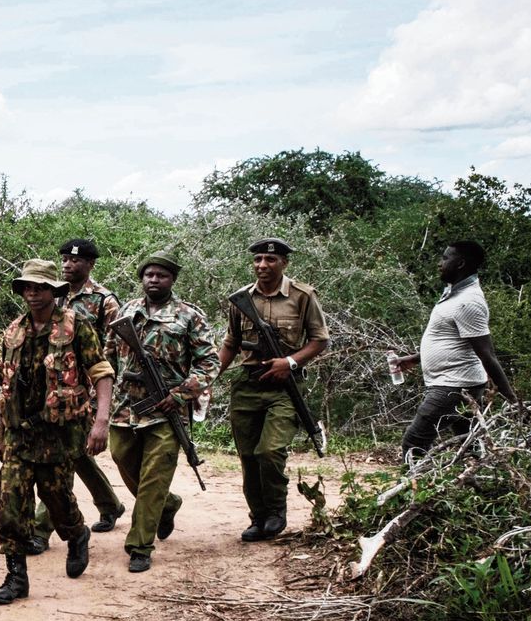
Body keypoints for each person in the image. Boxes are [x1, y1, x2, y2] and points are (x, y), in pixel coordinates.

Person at [0, 259, 114, 605]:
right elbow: (7, 386)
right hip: (19, 433)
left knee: (57, 499)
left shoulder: (76, 327)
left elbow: (101, 372)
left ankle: (76, 534)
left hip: (58, 433)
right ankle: (16, 578)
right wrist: (3, 439)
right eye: (27, 287)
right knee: (11, 504)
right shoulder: (13, 331)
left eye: (40, 287)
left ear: (53, 291)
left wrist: (101, 422)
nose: (32, 293)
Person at [105, 250, 220, 572]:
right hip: (127, 407)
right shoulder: (127, 312)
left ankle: (140, 545)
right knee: (122, 459)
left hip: (167, 410)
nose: (154, 280)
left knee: (155, 476)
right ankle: (167, 505)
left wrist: (182, 393)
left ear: (172, 280)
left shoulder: (189, 316)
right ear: (142, 278)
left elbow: (210, 361)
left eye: (162, 275)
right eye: (149, 275)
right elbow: (108, 356)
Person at [216, 238, 329, 542]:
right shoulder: (241, 299)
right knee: (248, 456)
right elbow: (231, 343)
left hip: (284, 385)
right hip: (248, 384)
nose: (262, 265)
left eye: (270, 259)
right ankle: (258, 518)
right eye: (258, 260)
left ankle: (277, 511)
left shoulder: (302, 296)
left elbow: (320, 340)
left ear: (284, 263)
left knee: (270, 450)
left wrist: (289, 362)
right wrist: (208, 377)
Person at [29, 238, 125, 554]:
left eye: (77, 261)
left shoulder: (104, 300)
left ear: (90, 265)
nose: (69, 265)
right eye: (65, 260)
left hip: (87, 390)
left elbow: (113, 351)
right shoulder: (51, 295)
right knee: (76, 453)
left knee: (62, 456)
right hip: (56, 390)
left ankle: (42, 529)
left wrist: (102, 400)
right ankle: (109, 503)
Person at [393, 240, 524, 461]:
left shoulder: (468, 302)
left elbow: (487, 354)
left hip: (454, 385)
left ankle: (410, 493)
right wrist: (416, 359)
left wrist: (511, 398)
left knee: (415, 441)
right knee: (469, 443)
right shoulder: (454, 294)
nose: (439, 263)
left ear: (461, 263)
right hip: (459, 382)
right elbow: (453, 341)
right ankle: (475, 484)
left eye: (445, 258)